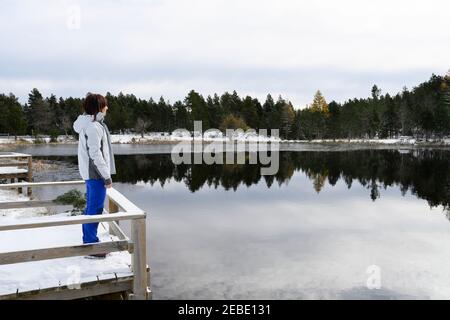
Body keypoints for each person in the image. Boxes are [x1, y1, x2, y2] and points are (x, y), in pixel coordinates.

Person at [73, 93, 116, 258]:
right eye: (105, 105)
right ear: (99, 108)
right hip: (96, 174)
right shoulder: (93, 127)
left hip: (92, 174)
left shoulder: (91, 125)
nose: (107, 108)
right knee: (95, 208)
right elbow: (96, 155)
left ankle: (89, 241)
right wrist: (106, 176)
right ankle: (91, 246)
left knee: (91, 207)